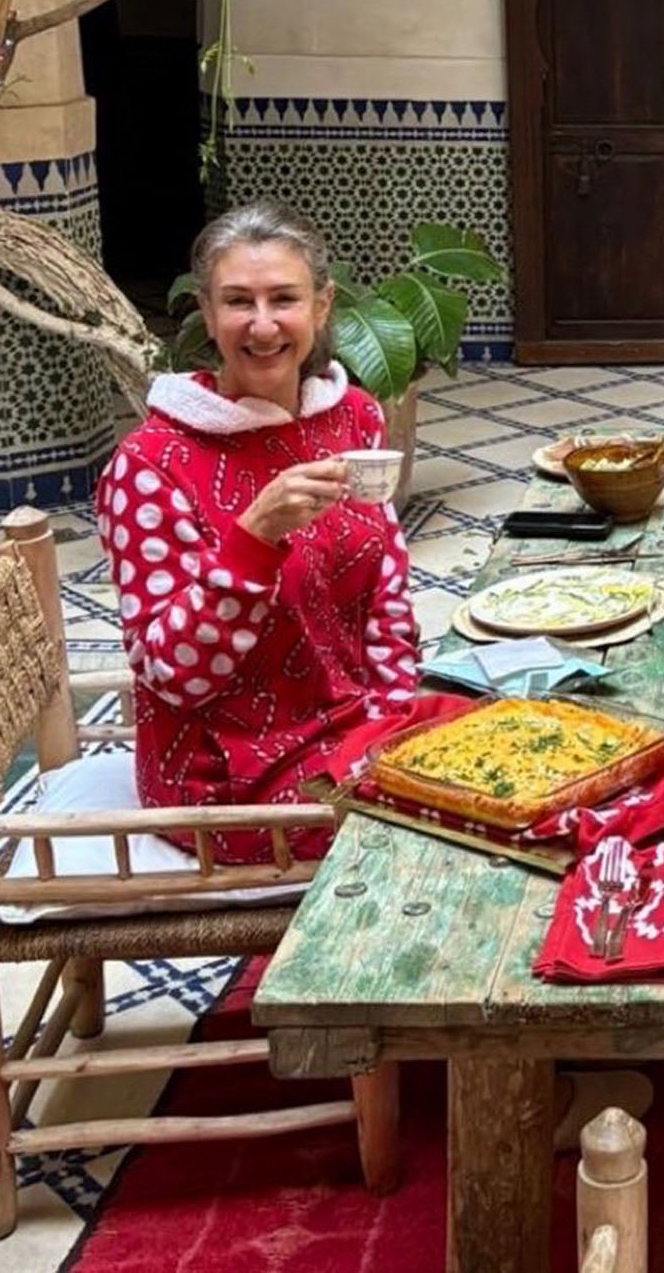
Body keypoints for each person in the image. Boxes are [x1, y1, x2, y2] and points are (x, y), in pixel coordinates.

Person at [96, 199, 418, 862]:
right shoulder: (150, 467)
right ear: (208, 316)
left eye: (284, 299)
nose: (263, 324)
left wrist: (393, 728)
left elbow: (387, 600)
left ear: (322, 307)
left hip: (356, 735)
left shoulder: (350, 418)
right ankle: (297, 966)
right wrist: (253, 537)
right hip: (227, 781)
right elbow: (173, 674)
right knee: (459, 836)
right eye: (239, 301)